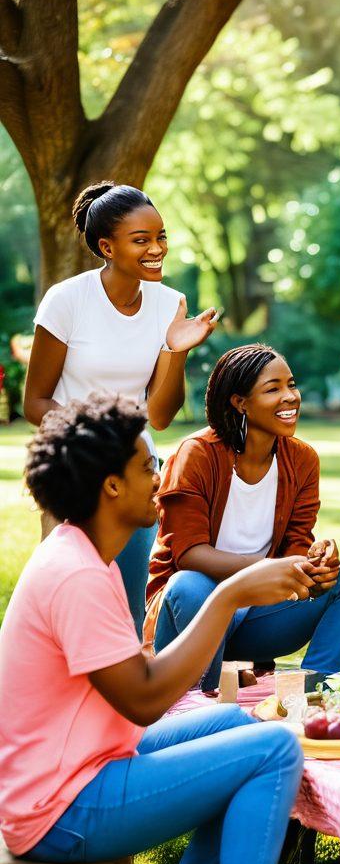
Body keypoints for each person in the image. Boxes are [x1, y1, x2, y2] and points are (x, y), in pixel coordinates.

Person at [0, 393, 313, 864]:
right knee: (275, 748)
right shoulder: (76, 573)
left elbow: (138, 680)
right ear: (112, 486)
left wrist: (228, 597)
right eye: (149, 466)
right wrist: (230, 595)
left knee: (232, 725)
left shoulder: (80, 553)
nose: (161, 476)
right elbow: (143, 700)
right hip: (60, 809)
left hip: (84, 768)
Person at [22, 182, 219, 635]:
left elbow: (161, 416)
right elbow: (35, 402)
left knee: (126, 611)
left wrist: (178, 349)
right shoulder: (67, 301)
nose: (157, 249)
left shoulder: (170, 304)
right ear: (106, 247)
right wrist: (97, 446)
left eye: (161, 237)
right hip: (76, 468)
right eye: (142, 240)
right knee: (66, 606)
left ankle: (126, 704)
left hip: (136, 472)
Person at [148, 344, 340, 691]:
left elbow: (295, 547)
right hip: (192, 612)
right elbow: (188, 554)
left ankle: (311, 698)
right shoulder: (196, 454)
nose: (290, 397)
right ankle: (201, 702)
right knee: (190, 584)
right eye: (273, 389)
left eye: (292, 385)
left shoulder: (302, 460)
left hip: (259, 612)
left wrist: (313, 566)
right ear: (240, 402)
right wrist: (265, 570)